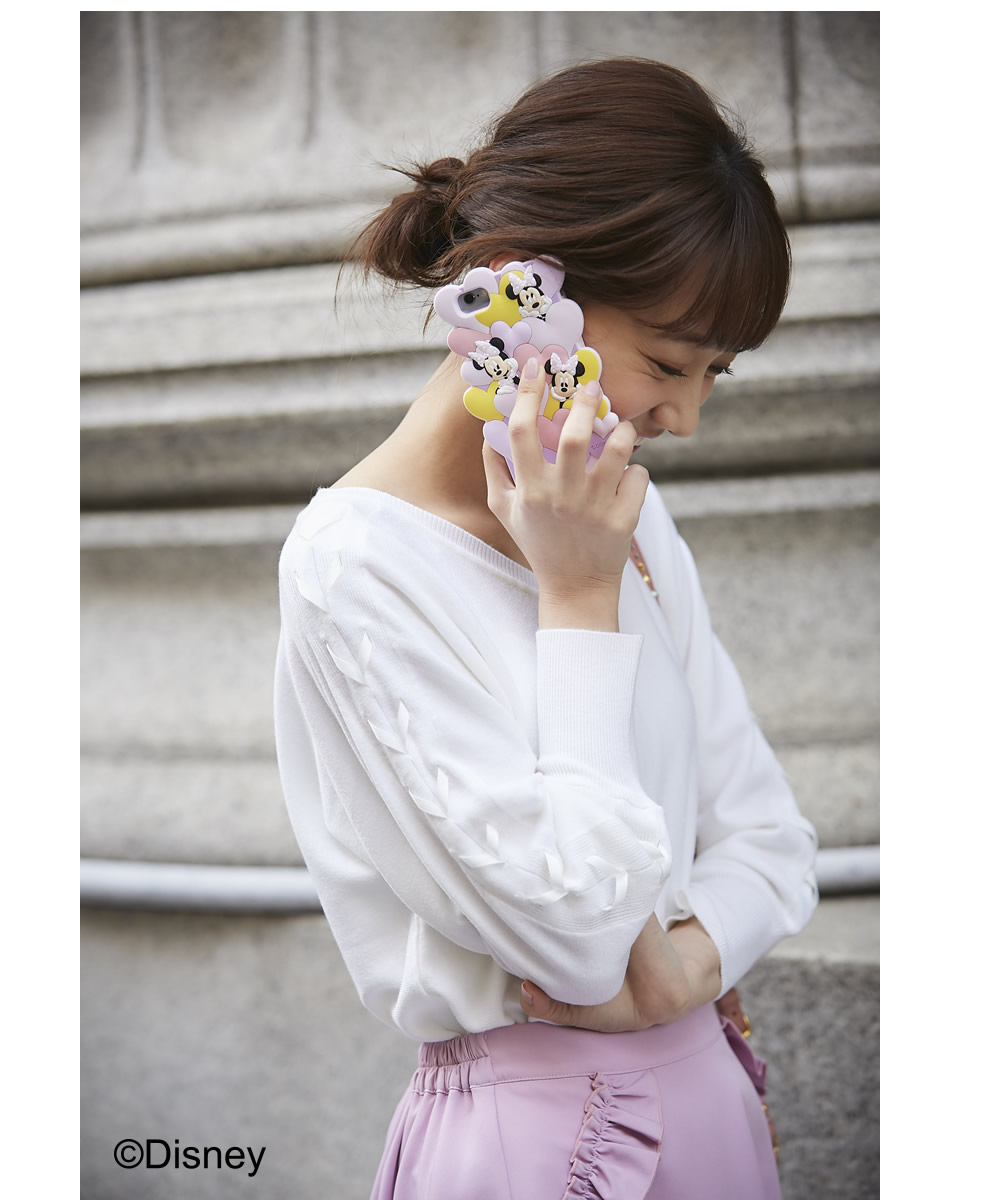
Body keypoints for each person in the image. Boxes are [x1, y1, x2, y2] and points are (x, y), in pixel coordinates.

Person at [274, 56, 819, 1199]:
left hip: (712, 1108)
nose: (685, 415)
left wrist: (679, 975)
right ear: (526, 294)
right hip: (534, 1146)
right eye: (666, 363)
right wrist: (577, 597)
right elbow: (572, 938)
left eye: (714, 374)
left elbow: (770, 840)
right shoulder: (356, 567)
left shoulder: (627, 511)